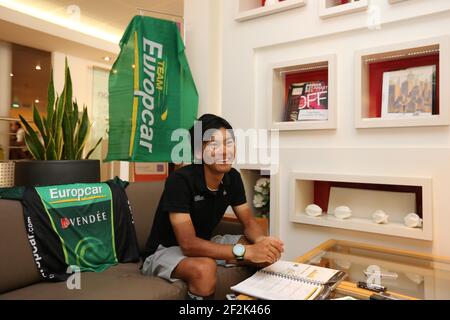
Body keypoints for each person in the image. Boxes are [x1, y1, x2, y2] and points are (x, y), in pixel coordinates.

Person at [141, 114, 284, 300]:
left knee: (266, 253)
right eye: (214, 145)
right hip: (165, 250)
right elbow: (189, 244)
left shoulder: (232, 177)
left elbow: (248, 222)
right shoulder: (180, 181)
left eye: (228, 143)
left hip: (206, 241)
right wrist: (245, 252)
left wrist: (262, 243)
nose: (224, 151)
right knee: (204, 268)